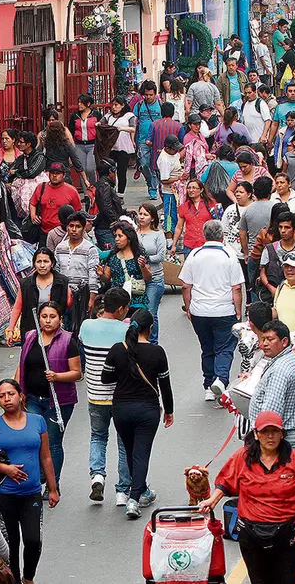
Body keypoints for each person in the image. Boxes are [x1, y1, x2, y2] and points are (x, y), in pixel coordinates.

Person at [198, 410, 295, 582]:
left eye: (275, 431)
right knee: (259, 580)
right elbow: (226, 482)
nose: (270, 436)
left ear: (282, 434)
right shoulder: (242, 457)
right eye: (265, 432)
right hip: (251, 533)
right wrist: (212, 500)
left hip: (287, 532)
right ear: (256, 434)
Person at [0, 382, 56, 583]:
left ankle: (28, 578)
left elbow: (46, 456)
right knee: (9, 545)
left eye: (11, 394)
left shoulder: (38, 421)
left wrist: (53, 489)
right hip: (3, 494)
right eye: (2, 396)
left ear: (21, 396)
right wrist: (6, 469)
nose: (7, 399)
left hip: (31, 493)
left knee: (33, 541)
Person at [102, 308, 173, 519]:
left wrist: (124, 372)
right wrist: (169, 410)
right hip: (147, 410)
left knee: (131, 450)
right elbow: (165, 385)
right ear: (151, 328)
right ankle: (134, 499)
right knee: (141, 453)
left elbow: (106, 378)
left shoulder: (118, 349)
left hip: (121, 409)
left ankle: (142, 491)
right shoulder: (157, 352)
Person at [14, 302, 81, 493]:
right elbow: (22, 365)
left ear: (60, 319)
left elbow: (77, 373)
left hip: (58, 402)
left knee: (52, 443)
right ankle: (39, 476)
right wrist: (18, 390)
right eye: (44, 316)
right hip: (32, 399)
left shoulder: (68, 341)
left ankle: (53, 485)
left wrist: (57, 376)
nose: (48, 321)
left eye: (52, 317)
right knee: (33, 440)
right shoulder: (30, 337)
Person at [78, 288, 132, 506]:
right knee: (124, 443)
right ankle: (122, 491)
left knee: (98, 437)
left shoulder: (86, 326)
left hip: (95, 396)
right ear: (120, 309)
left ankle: (97, 476)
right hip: (120, 397)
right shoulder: (126, 330)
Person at [181, 220, 244, 400]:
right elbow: (236, 288)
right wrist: (238, 311)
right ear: (222, 235)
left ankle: (208, 385)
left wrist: (189, 307)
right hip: (224, 310)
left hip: (199, 311)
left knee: (207, 347)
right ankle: (221, 378)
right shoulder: (229, 255)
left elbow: (186, 285)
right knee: (224, 347)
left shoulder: (194, 254)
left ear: (204, 234)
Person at [249, 321, 295, 448]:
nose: (264, 344)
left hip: (276, 440)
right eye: (263, 339)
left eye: (270, 339)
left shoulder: (280, 370)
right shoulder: (288, 359)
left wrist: (263, 438)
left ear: (284, 342)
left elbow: (271, 410)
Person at [9, 247, 71, 341]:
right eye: (39, 262)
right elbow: (18, 307)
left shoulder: (62, 282)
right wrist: (11, 329)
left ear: (52, 263)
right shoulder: (26, 284)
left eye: (46, 261)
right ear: (34, 264)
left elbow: (68, 305)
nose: (42, 265)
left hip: (55, 332)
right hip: (31, 330)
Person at [98, 222, 153, 310]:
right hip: (117, 302)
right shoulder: (112, 256)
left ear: (129, 238)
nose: (116, 239)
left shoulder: (140, 254)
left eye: (120, 236)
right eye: (115, 236)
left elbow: (148, 278)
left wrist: (143, 267)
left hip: (137, 301)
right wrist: (101, 274)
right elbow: (107, 278)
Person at [29, 162, 82, 247]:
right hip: (44, 232)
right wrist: (33, 215)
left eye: (58, 173)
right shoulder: (41, 187)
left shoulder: (72, 191)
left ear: (64, 175)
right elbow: (32, 203)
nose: (54, 175)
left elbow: (78, 211)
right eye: (52, 173)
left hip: (63, 234)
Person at [136, 203, 166, 343]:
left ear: (152, 218)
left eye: (145, 214)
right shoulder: (134, 233)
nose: (142, 217)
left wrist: (146, 259)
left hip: (155, 279)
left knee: (151, 312)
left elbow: (161, 256)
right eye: (140, 214)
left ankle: (153, 342)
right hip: (137, 279)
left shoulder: (158, 234)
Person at [171, 179, 221, 258]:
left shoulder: (211, 204)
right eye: (189, 188)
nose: (191, 190)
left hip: (207, 244)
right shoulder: (184, 207)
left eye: (194, 188)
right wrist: (174, 245)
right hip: (190, 245)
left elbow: (219, 224)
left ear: (201, 190)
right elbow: (179, 227)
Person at [101, 95, 137, 195]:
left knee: (121, 172)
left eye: (116, 105)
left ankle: (121, 194)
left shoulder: (129, 115)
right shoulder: (108, 116)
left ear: (122, 105)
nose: (114, 107)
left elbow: (133, 128)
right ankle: (110, 191)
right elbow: (100, 123)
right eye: (113, 105)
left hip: (123, 147)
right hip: (111, 147)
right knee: (109, 171)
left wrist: (122, 129)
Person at [134, 81, 163, 199]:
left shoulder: (160, 104)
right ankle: (150, 182)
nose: (148, 97)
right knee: (144, 164)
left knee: (155, 166)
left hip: (157, 140)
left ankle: (153, 189)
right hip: (142, 140)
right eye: (146, 95)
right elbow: (134, 122)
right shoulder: (139, 105)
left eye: (151, 95)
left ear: (155, 94)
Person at [69, 94, 102, 185]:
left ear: (88, 104)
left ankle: (94, 188)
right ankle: (86, 192)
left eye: (81, 103)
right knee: (82, 170)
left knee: (90, 168)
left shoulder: (96, 114)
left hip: (92, 145)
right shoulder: (75, 116)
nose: (79, 104)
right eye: (78, 102)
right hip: (79, 145)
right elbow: (71, 131)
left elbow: (102, 129)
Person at [92, 158, 124, 249]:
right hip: (106, 229)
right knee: (113, 254)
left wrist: (124, 212)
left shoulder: (103, 185)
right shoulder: (104, 186)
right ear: (111, 171)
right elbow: (106, 206)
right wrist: (115, 221)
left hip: (106, 228)